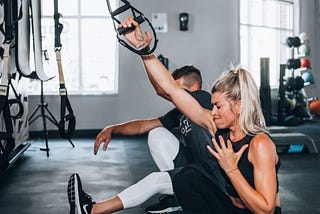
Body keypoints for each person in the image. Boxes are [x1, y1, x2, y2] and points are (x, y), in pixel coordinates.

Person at [118, 16, 282, 213]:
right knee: (187, 176)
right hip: (230, 208)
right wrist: (143, 50)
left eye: (219, 106)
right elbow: (171, 89)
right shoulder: (219, 129)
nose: (213, 112)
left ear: (239, 105)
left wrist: (231, 169)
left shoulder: (260, 144)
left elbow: (266, 210)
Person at [93, 65, 211, 213]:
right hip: (193, 166)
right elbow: (144, 126)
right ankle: (177, 197)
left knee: (155, 180)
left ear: (194, 87)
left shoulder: (204, 98)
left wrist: (145, 53)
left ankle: (93, 209)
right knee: (157, 133)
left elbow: (162, 90)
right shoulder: (180, 112)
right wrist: (113, 128)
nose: (176, 94)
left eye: (179, 89)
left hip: (210, 174)